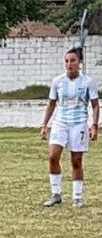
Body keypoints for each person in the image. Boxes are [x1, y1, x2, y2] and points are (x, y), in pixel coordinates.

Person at [40, 47, 99, 207]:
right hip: (60, 123)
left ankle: (77, 197)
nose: (69, 64)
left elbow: (95, 105)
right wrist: (44, 124)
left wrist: (94, 125)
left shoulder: (88, 82)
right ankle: (56, 194)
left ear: (79, 63)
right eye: (66, 61)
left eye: (72, 60)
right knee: (53, 156)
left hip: (79, 123)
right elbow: (51, 103)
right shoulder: (57, 81)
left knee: (76, 161)